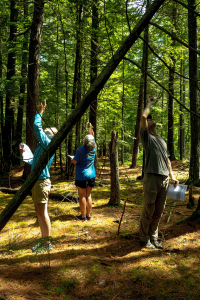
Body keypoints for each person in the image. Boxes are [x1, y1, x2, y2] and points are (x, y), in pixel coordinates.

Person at [139, 96, 179, 249]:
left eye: (151, 119)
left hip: (164, 179)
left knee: (159, 211)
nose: (150, 120)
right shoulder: (146, 137)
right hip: (151, 177)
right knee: (149, 209)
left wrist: (173, 177)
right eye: (149, 120)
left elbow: (168, 161)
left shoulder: (161, 140)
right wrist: (149, 103)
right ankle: (144, 239)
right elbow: (143, 116)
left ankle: (153, 238)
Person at [20, 102, 58, 252]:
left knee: (43, 213)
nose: (46, 130)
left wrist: (40, 113)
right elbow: (33, 161)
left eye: (48, 130)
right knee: (38, 211)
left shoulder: (48, 143)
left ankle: (47, 243)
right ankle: (44, 241)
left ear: (51, 135)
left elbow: (37, 128)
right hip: (38, 180)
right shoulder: (43, 146)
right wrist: (25, 151)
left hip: (42, 182)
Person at [71, 123, 96, 221]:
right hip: (91, 175)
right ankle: (88, 215)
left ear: (84, 142)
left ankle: (83, 216)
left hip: (81, 176)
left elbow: (74, 161)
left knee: (82, 196)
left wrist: (72, 159)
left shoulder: (80, 150)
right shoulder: (94, 148)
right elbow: (92, 137)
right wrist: (90, 128)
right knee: (88, 195)